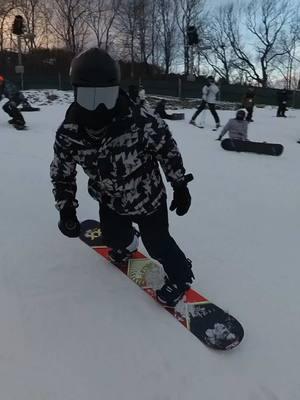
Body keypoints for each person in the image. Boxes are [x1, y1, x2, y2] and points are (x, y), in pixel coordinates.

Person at [50, 48, 195, 307]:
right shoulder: (69, 132)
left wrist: (179, 184)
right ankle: (127, 243)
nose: (99, 107)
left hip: (147, 199)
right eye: (89, 97)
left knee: (158, 244)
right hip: (110, 199)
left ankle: (181, 275)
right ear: (75, 93)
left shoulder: (141, 121)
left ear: (117, 90)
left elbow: (167, 150)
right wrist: (66, 209)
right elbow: (62, 172)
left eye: (106, 96)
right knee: (114, 240)